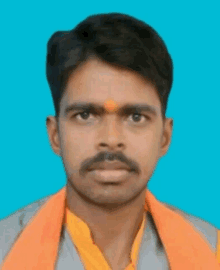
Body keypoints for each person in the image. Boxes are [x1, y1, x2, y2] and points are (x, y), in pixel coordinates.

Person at [0, 12, 220, 270]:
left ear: (164, 136)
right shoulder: (5, 251)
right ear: (55, 134)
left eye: (136, 117)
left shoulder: (212, 252)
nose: (111, 140)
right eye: (86, 115)